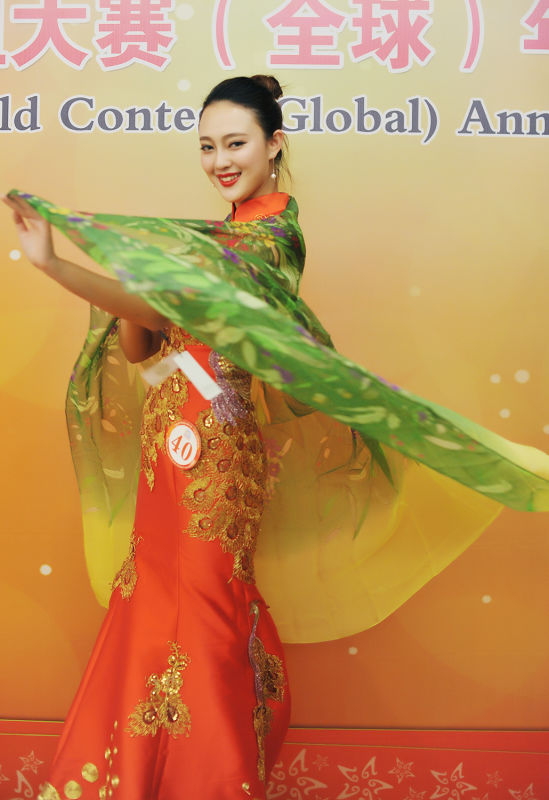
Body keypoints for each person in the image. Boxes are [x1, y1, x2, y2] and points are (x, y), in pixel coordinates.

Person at [4, 75, 549, 800]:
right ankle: (136, 781)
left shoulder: (269, 239)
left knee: (205, 613)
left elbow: (163, 307)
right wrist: (138, 286)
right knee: (150, 601)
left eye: (235, 143)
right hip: (166, 446)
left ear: (274, 144)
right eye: (207, 147)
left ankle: (215, 784)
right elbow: (143, 348)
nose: (220, 161)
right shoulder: (214, 240)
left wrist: (60, 264)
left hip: (217, 458)